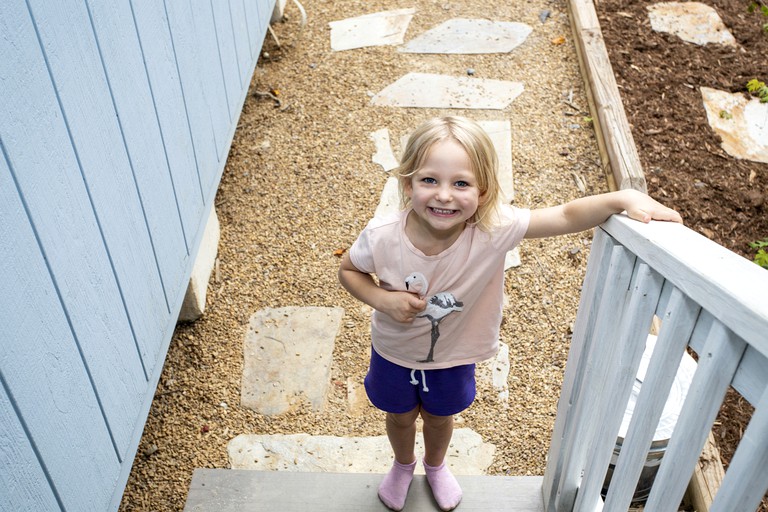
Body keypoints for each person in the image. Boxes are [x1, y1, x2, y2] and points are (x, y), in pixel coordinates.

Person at [337, 116, 681, 511]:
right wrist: (382, 300)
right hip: (393, 353)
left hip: (453, 358)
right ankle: (402, 464)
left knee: (438, 418)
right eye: (429, 180)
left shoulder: (492, 230)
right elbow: (349, 270)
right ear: (407, 184)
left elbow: (566, 216)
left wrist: (622, 200)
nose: (444, 195)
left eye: (461, 183)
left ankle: (435, 466)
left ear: (482, 192)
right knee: (399, 417)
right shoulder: (381, 236)